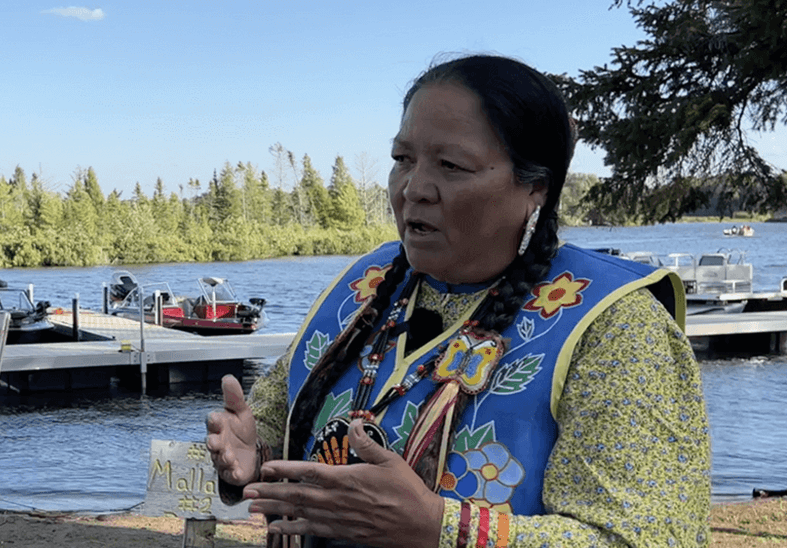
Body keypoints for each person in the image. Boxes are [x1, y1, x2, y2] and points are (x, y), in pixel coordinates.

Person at [206, 55, 711, 548]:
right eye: (402, 160)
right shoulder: (362, 288)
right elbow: (276, 419)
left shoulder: (615, 324)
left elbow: (641, 536)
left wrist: (438, 529)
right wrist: (254, 457)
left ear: (535, 186)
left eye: (451, 165)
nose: (414, 189)